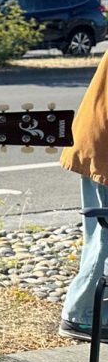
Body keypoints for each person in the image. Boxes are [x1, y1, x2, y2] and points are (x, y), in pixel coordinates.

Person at [58, 50, 108, 341]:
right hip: (102, 146)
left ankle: (86, 313)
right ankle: (81, 316)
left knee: (101, 234)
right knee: (103, 236)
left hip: (98, 141)